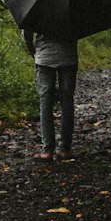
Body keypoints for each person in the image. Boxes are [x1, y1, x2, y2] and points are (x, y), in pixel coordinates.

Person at [22, 26, 78, 162]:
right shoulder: (73, 8)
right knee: (67, 103)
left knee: (45, 102)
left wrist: (34, 53)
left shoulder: (37, 8)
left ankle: (47, 150)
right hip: (68, 58)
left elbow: (27, 36)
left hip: (44, 59)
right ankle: (64, 148)